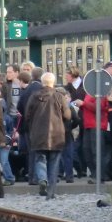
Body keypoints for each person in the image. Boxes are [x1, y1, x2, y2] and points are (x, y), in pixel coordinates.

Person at [24, 71, 71, 199]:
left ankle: (42, 179)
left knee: (40, 159)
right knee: (54, 164)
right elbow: (67, 115)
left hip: (38, 135)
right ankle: (50, 192)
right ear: (53, 83)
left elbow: (27, 115)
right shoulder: (59, 96)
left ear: (42, 82)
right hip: (56, 136)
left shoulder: (34, 96)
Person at [78, 88, 109, 183]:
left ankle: (100, 176)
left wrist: (83, 104)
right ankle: (95, 174)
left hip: (97, 125)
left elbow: (98, 107)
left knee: (97, 152)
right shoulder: (89, 93)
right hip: (88, 125)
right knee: (87, 150)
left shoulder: (101, 93)